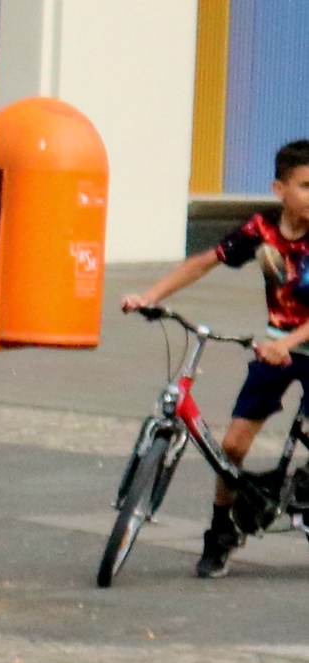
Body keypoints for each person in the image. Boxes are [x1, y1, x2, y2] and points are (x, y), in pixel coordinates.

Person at [120, 137, 309, 578]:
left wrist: (286, 343)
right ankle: (221, 532)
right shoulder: (261, 231)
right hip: (276, 347)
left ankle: (302, 489)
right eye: (304, 185)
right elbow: (205, 262)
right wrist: (148, 297)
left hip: (293, 343)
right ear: (279, 189)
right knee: (232, 446)